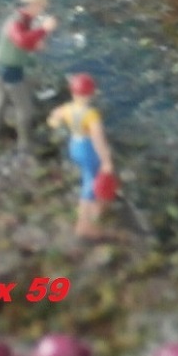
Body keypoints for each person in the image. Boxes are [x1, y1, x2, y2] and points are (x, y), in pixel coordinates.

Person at [0, 0, 58, 154]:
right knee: (25, 109)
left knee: (1, 100)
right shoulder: (16, 22)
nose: (42, 10)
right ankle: (25, 144)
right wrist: (44, 29)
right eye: (41, 6)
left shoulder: (23, 20)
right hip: (11, 71)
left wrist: (35, 43)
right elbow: (22, 40)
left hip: (3, 67)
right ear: (33, 5)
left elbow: (23, 41)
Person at [48, 74, 116, 240]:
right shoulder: (91, 115)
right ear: (91, 94)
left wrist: (57, 124)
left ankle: (94, 208)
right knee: (90, 182)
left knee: (90, 176)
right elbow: (98, 140)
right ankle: (84, 225)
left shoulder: (67, 108)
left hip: (74, 145)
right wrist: (106, 161)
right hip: (88, 150)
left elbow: (53, 120)